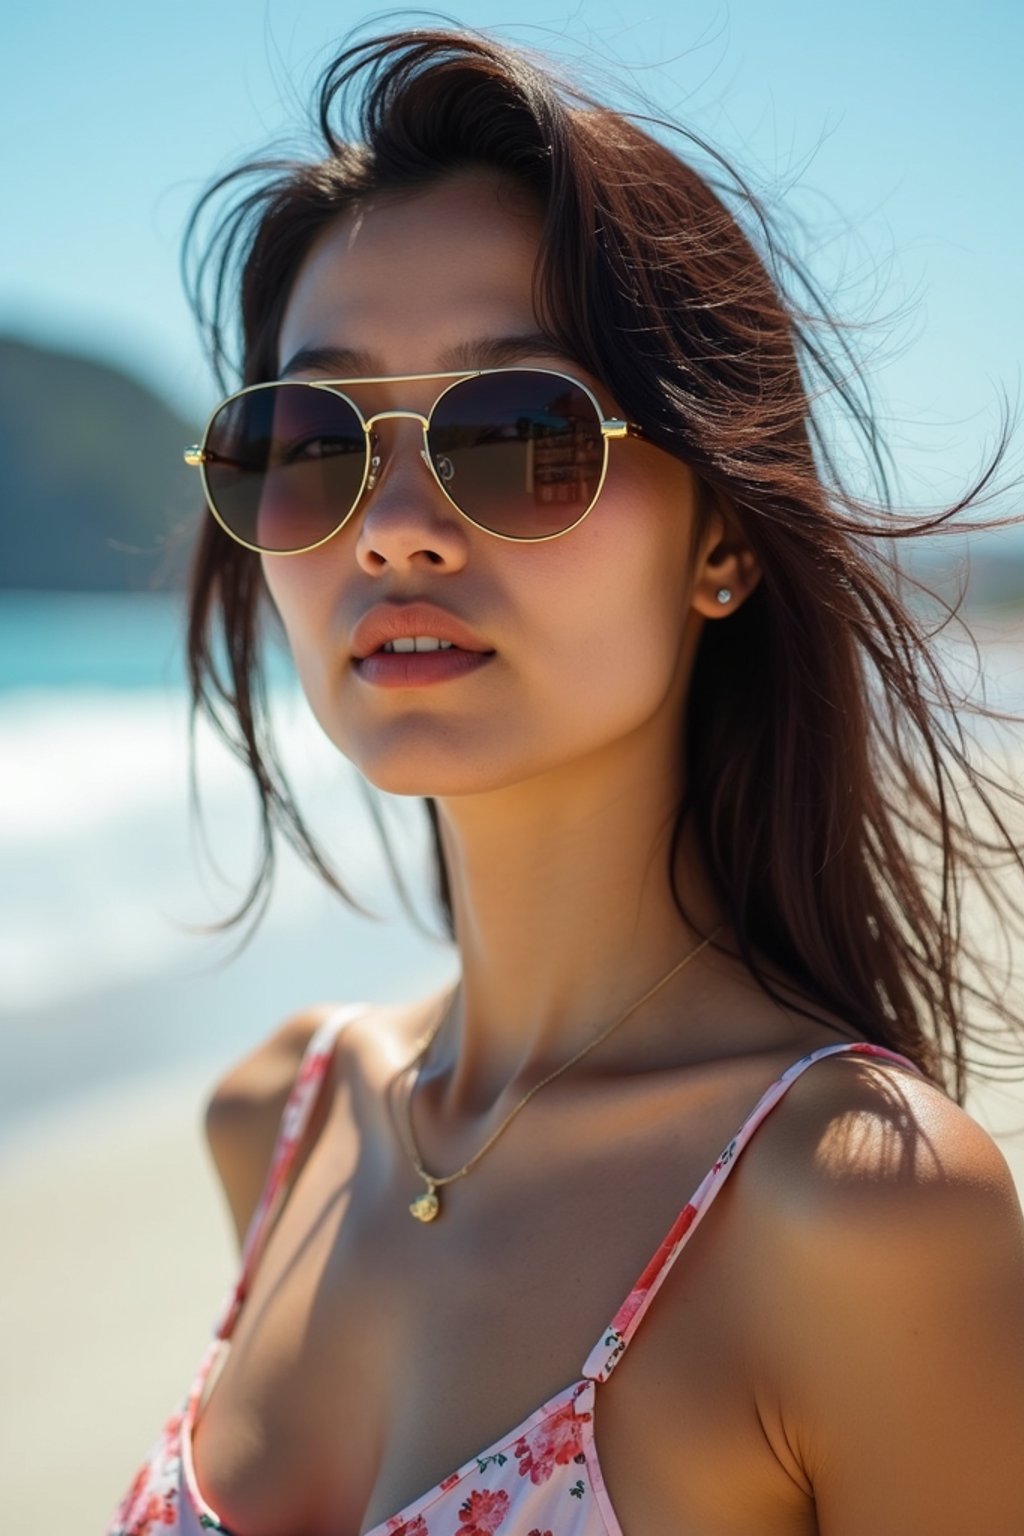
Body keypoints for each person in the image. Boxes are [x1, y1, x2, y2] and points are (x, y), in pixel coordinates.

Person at [108, 24, 1024, 1536]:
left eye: (518, 434)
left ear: (720, 539)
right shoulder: (277, 1120)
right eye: (312, 442)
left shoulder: (860, 1208)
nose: (394, 527)